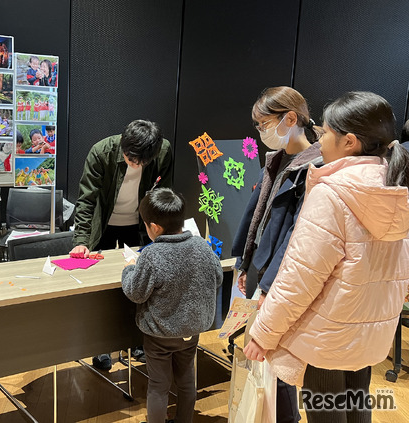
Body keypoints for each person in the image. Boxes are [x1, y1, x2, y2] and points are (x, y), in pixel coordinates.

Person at [244, 91, 409, 423]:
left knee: (326, 414)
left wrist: (263, 333)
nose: (321, 139)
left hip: (326, 335)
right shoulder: (393, 188)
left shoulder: (333, 192)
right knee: (357, 409)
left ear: (349, 142)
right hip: (370, 333)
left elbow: (300, 277)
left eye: (326, 133)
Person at [231, 86, 321, 422]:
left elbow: (297, 236)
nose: (260, 132)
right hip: (261, 269)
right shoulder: (277, 159)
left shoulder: (314, 167)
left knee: (278, 360)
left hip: (281, 278)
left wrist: (269, 286)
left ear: (291, 118)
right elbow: (256, 216)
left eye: (263, 124)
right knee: (263, 360)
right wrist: (243, 263)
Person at [70, 119, 173, 370]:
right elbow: (87, 200)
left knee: (141, 287)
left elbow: (164, 194)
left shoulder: (163, 151)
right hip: (103, 224)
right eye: (130, 158)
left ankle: (136, 342)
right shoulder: (101, 152)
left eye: (142, 161)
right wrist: (82, 241)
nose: (136, 165)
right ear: (123, 145)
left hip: (139, 226)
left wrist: (163, 233)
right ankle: (100, 346)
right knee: (99, 289)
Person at [122, 188, 222, 423]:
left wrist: (129, 268)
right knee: (187, 381)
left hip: (160, 334)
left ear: (154, 227)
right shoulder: (202, 246)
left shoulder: (152, 254)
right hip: (192, 331)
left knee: (158, 386)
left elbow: (136, 293)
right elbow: (217, 278)